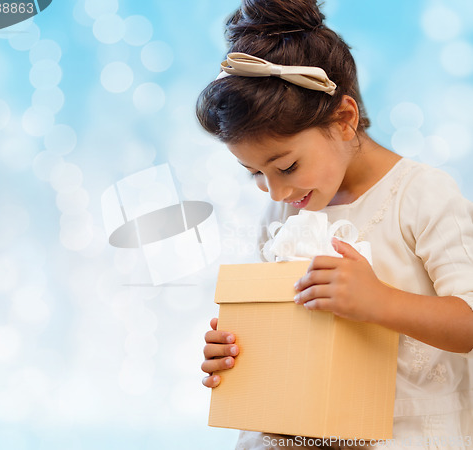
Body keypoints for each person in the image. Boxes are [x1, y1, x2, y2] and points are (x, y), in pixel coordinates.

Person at [197, 1, 473, 448]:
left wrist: (379, 300)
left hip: (403, 433)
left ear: (344, 120)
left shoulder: (421, 196)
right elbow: (283, 329)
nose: (276, 191)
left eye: (286, 167)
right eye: (255, 174)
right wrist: (234, 350)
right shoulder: (283, 213)